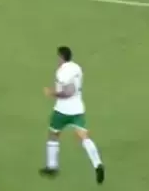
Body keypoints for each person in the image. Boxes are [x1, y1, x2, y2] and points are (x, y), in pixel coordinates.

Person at [40, 46, 105, 184]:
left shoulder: (62, 72)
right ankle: (97, 163)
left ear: (61, 57)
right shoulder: (76, 67)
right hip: (78, 109)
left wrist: (52, 93)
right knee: (84, 137)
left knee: (53, 134)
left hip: (62, 111)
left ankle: (52, 167)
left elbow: (69, 91)